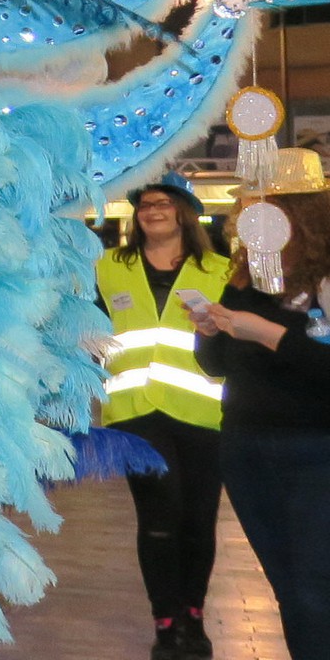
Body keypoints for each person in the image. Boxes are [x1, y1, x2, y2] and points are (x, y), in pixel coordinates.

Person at [193, 155, 330, 660]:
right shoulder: (247, 275)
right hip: (247, 450)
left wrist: (271, 335)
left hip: (316, 452)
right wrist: (209, 331)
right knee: (288, 587)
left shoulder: (325, 277)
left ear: (302, 213)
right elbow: (216, 366)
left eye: (264, 206)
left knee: (314, 587)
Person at [96, 174, 232, 659]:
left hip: (203, 411)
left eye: (163, 203)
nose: (152, 210)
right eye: (144, 204)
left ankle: (193, 614)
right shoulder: (108, 266)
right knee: (160, 512)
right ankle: (166, 621)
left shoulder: (221, 269)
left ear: (185, 212)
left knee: (198, 517)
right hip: (135, 410)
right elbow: (84, 323)